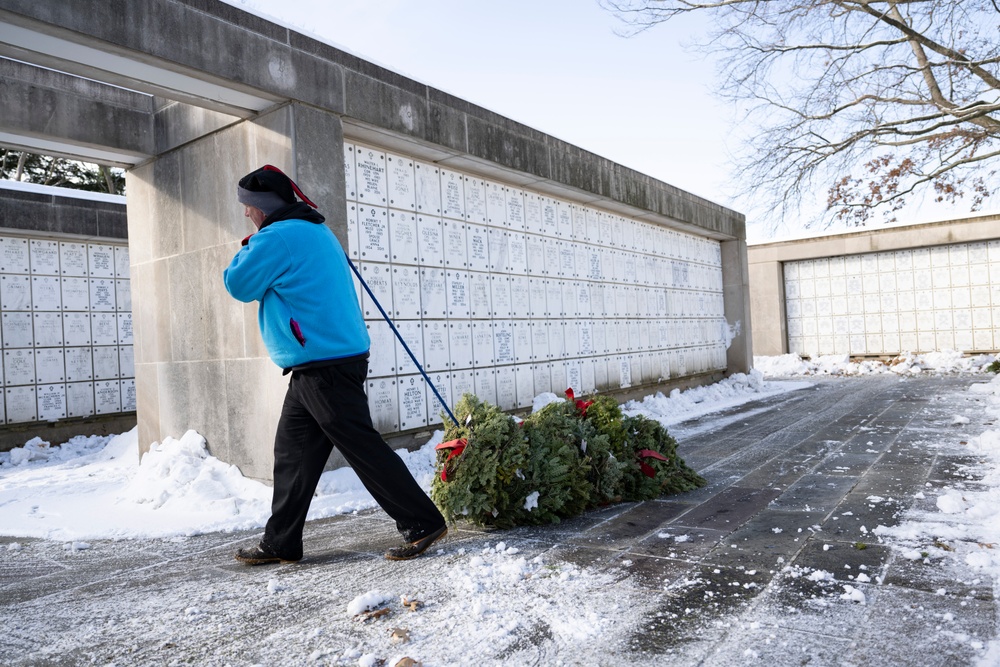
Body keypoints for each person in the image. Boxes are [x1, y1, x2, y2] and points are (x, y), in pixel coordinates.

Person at [223, 164, 447, 565]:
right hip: (321, 364)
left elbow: (238, 284)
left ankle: (422, 521)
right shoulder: (314, 229)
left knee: (362, 447)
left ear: (265, 206)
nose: (246, 213)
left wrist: (249, 245)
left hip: (323, 365)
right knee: (293, 454)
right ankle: (281, 542)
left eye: (248, 206)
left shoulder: (277, 237)